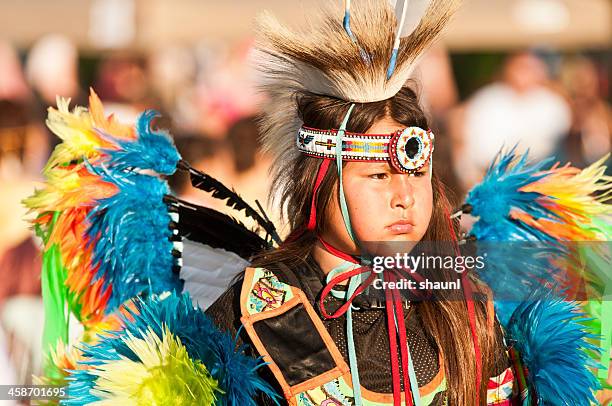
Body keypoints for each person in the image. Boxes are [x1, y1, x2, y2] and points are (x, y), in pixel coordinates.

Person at [204, 1, 513, 404]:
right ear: (320, 183)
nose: (404, 198)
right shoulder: (252, 313)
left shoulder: (464, 308)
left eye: (418, 175)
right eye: (379, 176)